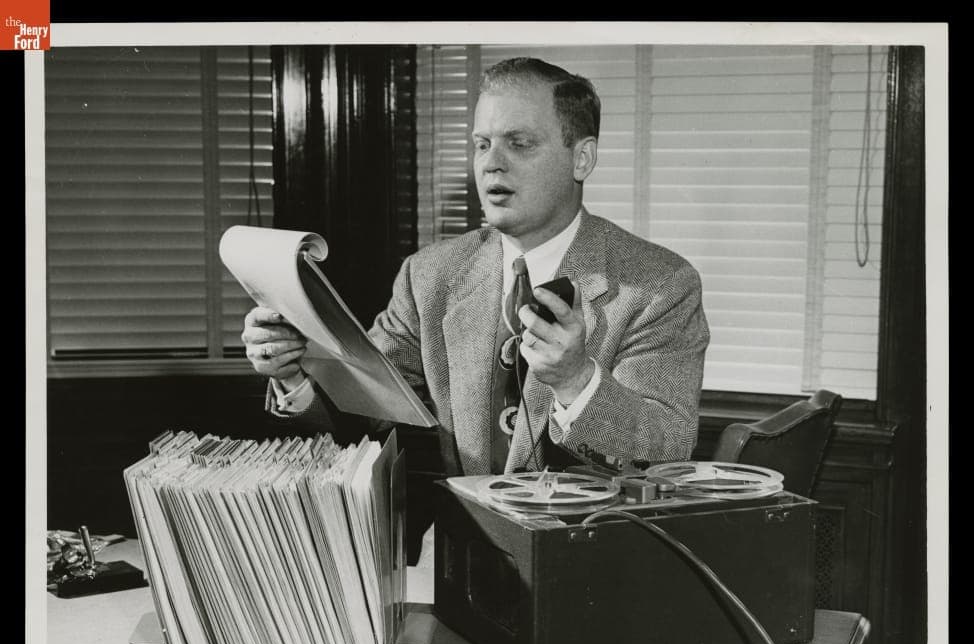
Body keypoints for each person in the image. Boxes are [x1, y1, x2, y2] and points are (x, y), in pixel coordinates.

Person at [242, 56, 709, 479]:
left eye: (519, 144)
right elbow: (363, 414)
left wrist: (575, 381)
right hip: (458, 559)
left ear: (581, 158)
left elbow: (667, 447)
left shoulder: (659, 286)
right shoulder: (429, 276)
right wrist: (292, 374)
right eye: (481, 144)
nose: (491, 164)